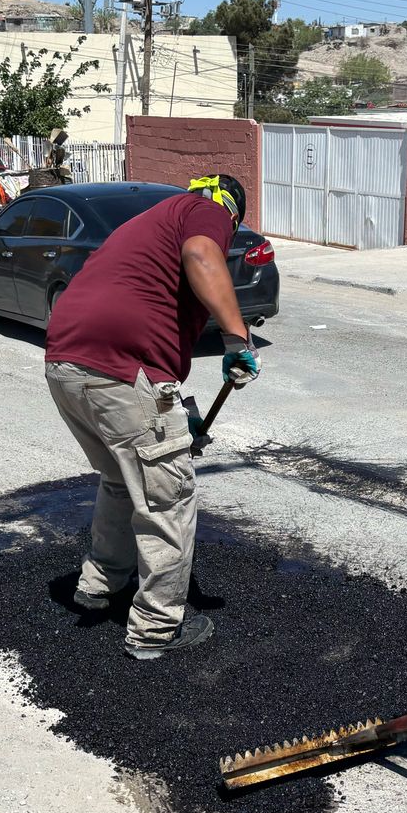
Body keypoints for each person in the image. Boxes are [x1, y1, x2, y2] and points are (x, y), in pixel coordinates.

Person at [44, 174, 261, 659]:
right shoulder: (207, 211)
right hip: (123, 369)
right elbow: (201, 254)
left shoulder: (150, 223)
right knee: (168, 498)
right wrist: (237, 338)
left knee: (121, 480)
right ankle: (156, 628)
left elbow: (150, 314)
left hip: (66, 365)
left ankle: (99, 584)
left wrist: (176, 418)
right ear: (231, 213)